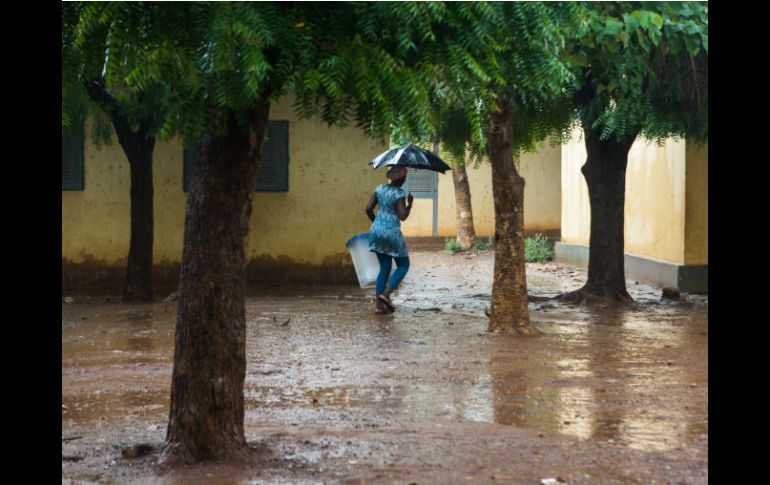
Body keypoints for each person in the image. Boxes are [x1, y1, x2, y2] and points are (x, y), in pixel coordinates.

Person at [365, 166, 414, 314]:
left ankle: (379, 306)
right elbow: (402, 216)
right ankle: (385, 295)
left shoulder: (379, 188)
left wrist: (377, 224)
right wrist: (409, 205)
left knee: (384, 268)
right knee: (404, 265)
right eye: (405, 176)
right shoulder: (399, 193)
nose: (405, 179)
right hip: (392, 233)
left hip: (376, 231)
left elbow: (368, 208)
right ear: (401, 178)